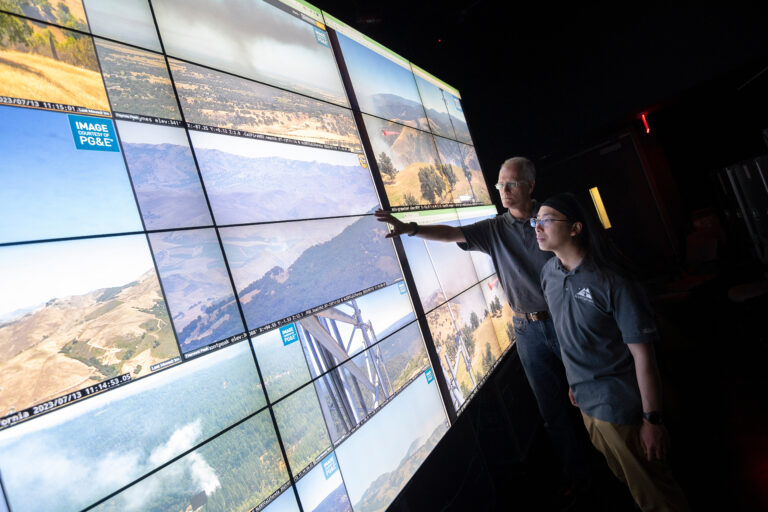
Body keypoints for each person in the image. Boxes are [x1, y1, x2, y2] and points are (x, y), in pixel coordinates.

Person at [375, 157, 592, 494]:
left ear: (530, 186)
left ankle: (611, 457)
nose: (504, 190)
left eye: (512, 184)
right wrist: (412, 229)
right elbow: (451, 234)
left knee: (590, 393)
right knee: (552, 410)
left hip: (565, 322)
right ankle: (580, 479)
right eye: (500, 184)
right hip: (527, 331)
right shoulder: (494, 230)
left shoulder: (550, 219)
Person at [535, 192, 689, 511]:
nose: (538, 227)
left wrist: (652, 420)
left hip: (621, 406)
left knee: (656, 495)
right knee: (628, 481)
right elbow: (571, 336)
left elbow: (644, 356)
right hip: (586, 404)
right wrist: (574, 382)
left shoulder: (613, 281)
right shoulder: (548, 274)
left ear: (575, 228)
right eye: (536, 221)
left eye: (546, 220)